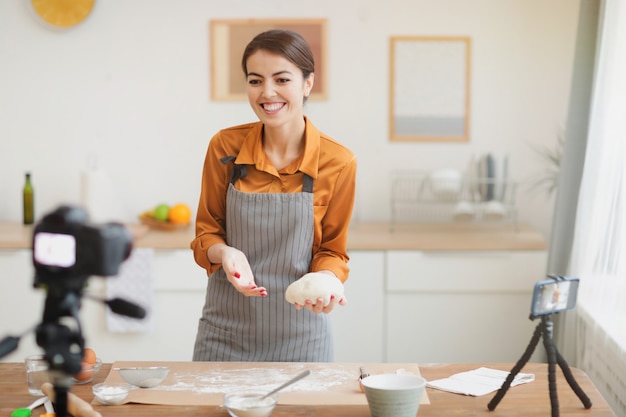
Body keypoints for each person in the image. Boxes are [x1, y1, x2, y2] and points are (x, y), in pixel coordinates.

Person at [191, 29, 357, 362]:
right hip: (224, 334)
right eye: (255, 81)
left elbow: (333, 251)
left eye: (282, 79)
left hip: (302, 337)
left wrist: (325, 278)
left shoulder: (338, 162)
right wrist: (224, 253)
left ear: (307, 83)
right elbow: (206, 233)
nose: (267, 93)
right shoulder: (224, 147)